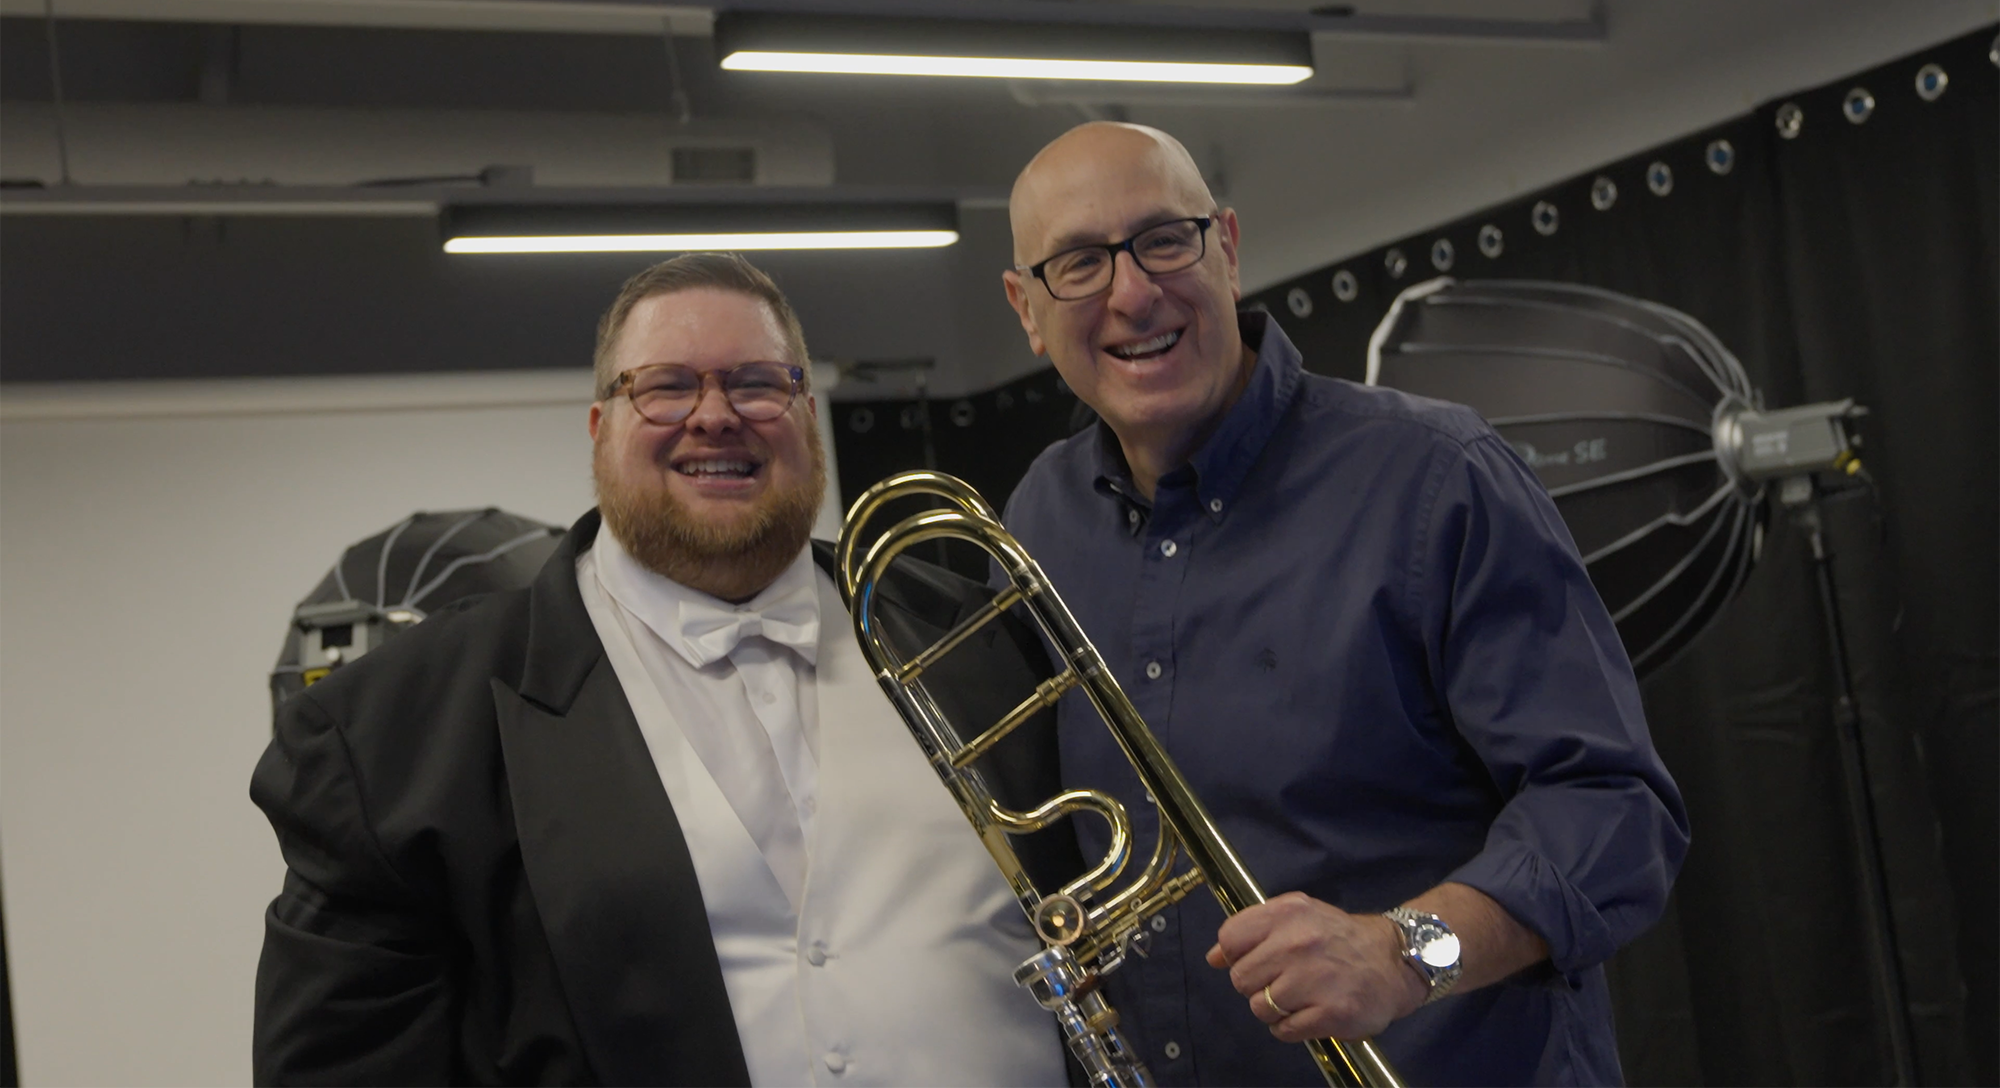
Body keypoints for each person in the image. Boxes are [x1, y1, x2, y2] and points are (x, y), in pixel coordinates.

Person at [251, 253, 1076, 1087]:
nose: (715, 416)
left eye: (756, 382)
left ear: (807, 415)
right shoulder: (400, 728)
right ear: (599, 425)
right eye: (665, 386)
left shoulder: (979, 633)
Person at [998, 122, 1690, 1087]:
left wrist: (1405, 953)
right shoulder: (1037, 518)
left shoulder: (1437, 477)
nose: (1131, 291)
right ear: (1026, 309)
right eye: (1077, 262)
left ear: (1227, 248)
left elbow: (1615, 807)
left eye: (1164, 239)